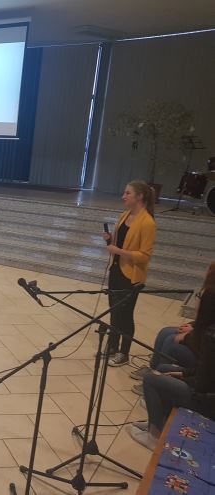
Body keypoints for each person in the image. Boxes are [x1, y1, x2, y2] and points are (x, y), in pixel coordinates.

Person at [129, 286, 215, 450]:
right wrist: (181, 373)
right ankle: (158, 422)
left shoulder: (211, 336)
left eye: (199, 297)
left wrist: (183, 378)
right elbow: (204, 371)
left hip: (207, 403)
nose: (196, 300)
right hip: (205, 390)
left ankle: (154, 436)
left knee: (152, 379)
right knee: (163, 368)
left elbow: (202, 385)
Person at [129, 262, 215, 394]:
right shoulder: (209, 290)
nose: (206, 272)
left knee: (171, 341)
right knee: (165, 332)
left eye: (210, 270)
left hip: (203, 349)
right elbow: (205, 320)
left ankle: (158, 381)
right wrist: (192, 326)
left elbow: (207, 331)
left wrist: (188, 335)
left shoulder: (211, 294)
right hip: (199, 334)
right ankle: (153, 370)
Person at [102, 180, 157, 367]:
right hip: (116, 270)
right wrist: (110, 240)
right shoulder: (124, 215)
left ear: (139, 196)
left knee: (125, 315)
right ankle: (112, 345)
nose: (123, 196)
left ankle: (123, 353)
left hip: (131, 276)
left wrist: (118, 251)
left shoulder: (147, 222)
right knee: (114, 311)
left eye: (127, 193)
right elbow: (121, 244)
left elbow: (144, 256)